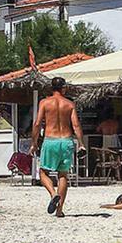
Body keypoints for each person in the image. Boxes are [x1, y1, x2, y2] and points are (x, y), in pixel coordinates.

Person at [31, 78, 82, 218]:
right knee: (63, 175)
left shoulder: (44, 102)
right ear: (63, 88)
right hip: (66, 141)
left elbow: (37, 124)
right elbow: (76, 125)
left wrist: (34, 143)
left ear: (51, 88)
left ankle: (53, 194)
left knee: (43, 173)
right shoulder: (69, 104)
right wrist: (81, 143)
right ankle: (59, 210)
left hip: (51, 140)